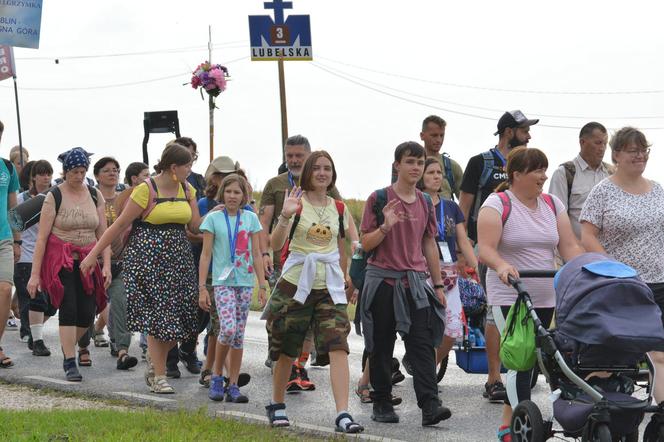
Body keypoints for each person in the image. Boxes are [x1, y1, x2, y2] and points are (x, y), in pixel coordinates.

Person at [477, 146, 583, 441]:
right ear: (516, 175)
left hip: (545, 292)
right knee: (519, 358)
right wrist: (501, 264)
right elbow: (485, 248)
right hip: (510, 293)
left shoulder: (552, 204)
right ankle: (513, 426)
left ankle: (509, 422)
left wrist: (587, 266)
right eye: (537, 170)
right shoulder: (497, 204)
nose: (543, 176)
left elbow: (569, 246)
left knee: (535, 361)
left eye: (544, 169)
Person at [80, 143, 201, 394]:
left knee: (179, 320)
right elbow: (118, 225)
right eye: (187, 165)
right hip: (148, 259)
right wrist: (94, 254)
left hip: (179, 259)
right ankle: (159, 375)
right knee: (159, 319)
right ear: (173, 167)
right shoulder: (147, 190)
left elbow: (196, 226)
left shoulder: (188, 189)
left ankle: (154, 365)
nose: (191, 169)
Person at [264, 150, 363, 433]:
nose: (322, 173)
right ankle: (277, 404)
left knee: (338, 345)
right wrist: (285, 215)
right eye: (317, 168)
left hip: (329, 286)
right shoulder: (295, 202)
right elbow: (275, 243)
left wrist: (350, 275)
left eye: (327, 168)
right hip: (296, 283)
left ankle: (343, 413)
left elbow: (349, 247)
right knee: (287, 346)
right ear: (307, 172)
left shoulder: (340, 208)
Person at [359, 141, 451, 426]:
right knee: (381, 345)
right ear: (397, 165)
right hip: (383, 282)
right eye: (410, 162)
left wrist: (437, 284)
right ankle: (382, 402)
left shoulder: (425, 202)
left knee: (422, 345)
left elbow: (428, 242)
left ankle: (430, 406)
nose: (415, 167)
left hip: (415, 283)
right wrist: (385, 226)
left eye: (420, 163)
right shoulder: (379, 198)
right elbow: (364, 243)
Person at [457, 109, 539, 402]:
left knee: (527, 309)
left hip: (526, 247)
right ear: (508, 132)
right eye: (524, 129)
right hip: (486, 245)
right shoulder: (480, 162)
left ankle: (521, 371)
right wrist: (463, 244)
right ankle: (494, 378)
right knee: (496, 309)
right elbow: (464, 206)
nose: (529, 135)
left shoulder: (530, 164)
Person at [579, 127, 664, 404]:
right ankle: (606, 410)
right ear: (616, 155)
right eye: (633, 151)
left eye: (644, 150)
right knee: (615, 356)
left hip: (658, 282)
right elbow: (587, 236)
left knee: (659, 355)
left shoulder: (658, 190)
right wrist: (613, 268)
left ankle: (660, 413)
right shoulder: (603, 192)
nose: (640, 156)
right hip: (619, 285)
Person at [27, 147, 111, 381]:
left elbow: (103, 233)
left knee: (86, 313)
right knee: (69, 309)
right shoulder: (55, 195)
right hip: (61, 261)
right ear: (65, 172)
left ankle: (69, 346)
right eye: (74, 171)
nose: (79, 176)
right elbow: (42, 238)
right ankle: (69, 360)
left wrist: (106, 265)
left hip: (89, 261)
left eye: (83, 171)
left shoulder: (95, 195)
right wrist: (35, 275)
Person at [198, 174, 267, 403]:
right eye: (228, 191)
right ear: (222, 193)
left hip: (245, 282)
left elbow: (256, 253)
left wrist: (263, 284)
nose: (232, 196)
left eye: (237, 192)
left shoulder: (250, 219)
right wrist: (202, 288)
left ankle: (234, 384)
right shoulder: (213, 219)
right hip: (222, 283)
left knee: (238, 335)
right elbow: (206, 255)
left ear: (244, 195)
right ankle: (217, 376)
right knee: (226, 329)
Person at [418, 158, 477, 377]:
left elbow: (462, 241)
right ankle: (425, 377)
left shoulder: (451, 207)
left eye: (439, 172)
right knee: (424, 330)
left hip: (449, 275)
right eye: (430, 172)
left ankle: (425, 370)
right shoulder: (415, 203)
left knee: (452, 331)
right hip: (421, 273)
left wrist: (476, 267)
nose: (436, 176)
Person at [164, 136, 206, 377]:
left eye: (191, 158)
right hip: (167, 254)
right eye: (184, 158)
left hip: (194, 254)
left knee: (196, 308)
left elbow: (196, 223)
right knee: (170, 308)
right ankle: (168, 360)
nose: (188, 164)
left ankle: (188, 349)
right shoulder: (153, 185)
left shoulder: (196, 183)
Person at [93, 157, 138, 370]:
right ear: (97, 175)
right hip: (94, 261)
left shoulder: (125, 199)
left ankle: (122, 351)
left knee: (121, 304)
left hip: (121, 261)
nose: (113, 173)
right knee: (87, 309)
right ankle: (84, 343)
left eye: (116, 170)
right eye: (107, 170)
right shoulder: (91, 198)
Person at [13, 160, 54, 356]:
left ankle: (31, 329)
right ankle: (34, 337)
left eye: (49, 174)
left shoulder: (56, 196)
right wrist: (16, 244)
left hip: (50, 257)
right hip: (27, 255)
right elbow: (13, 220)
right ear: (34, 177)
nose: (46, 177)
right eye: (42, 173)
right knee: (33, 297)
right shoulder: (22, 199)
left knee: (52, 303)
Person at [548, 122, 613, 238]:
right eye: (598, 143)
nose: (602, 148)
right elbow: (556, 218)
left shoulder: (612, 174)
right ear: (582, 142)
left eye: (605, 143)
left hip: (608, 252)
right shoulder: (564, 173)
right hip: (578, 252)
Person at [391, 115, 463, 200]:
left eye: (441, 135)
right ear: (422, 136)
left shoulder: (452, 167)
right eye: (434, 135)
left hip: (445, 211)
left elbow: (465, 202)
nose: (439, 140)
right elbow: (395, 194)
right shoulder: (405, 164)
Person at [0, 132, 21, 368]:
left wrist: (18, 241)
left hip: (4, 238)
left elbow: (13, 207)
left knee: (5, 290)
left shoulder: (7, 167)